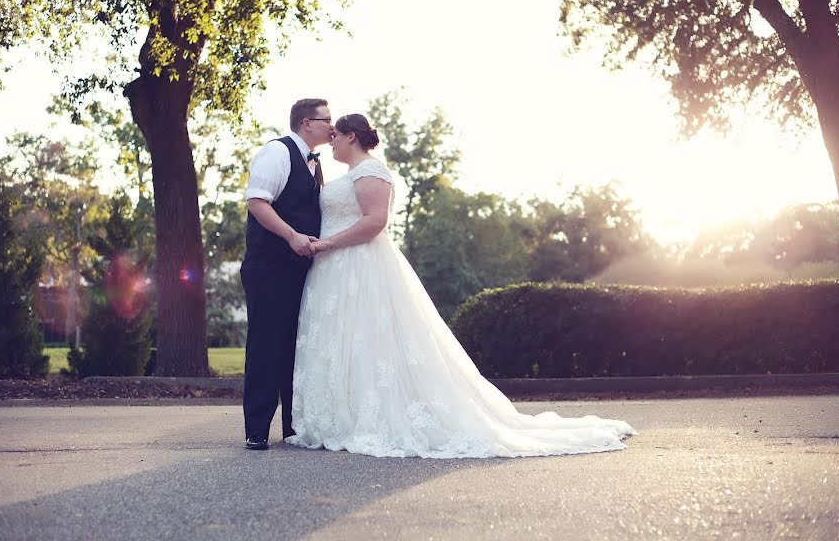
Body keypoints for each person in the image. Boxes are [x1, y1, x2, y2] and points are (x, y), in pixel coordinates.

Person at [287, 114, 636, 458]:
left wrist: (329, 244)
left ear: (351, 137)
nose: (330, 141)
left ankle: (374, 420)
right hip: (334, 271)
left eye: (335, 136)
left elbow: (376, 222)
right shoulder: (349, 175)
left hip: (360, 266)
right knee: (344, 340)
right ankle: (340, 418)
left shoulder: (371, 171)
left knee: (370, 340)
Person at [240, 98, 332, 450]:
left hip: (302, 270)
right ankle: (257, 428)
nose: (332, 126)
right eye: (327, 119)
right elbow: (257, 202)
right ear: (307, 123)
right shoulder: (276, 153)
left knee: (297, 347)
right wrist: (292, 236)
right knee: (267, 345)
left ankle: (293, 428)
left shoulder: (315, 162)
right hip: (269, 266)